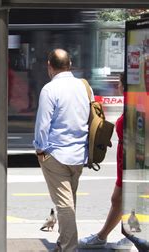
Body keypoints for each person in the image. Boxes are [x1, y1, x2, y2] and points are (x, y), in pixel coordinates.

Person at [33, 48, 90, 251]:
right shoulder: (84, 86)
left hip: (56, 155)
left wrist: (40, 151)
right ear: (70, 64)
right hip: (79, 155)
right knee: (69, 202)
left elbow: (42, 125)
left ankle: (69, 247)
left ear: (50, 66)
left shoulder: (50, 89)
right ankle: (61, 243)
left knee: (65, 205)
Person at [78, 73, 133, 250]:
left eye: (119, 83)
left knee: (121, 198)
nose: (117, 86)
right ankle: (124, 236)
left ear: (124, 85)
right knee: (121, 199)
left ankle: (117, 237)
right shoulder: (131, 101)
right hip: (125, 158)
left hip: (132, 159)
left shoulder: (135, 101)